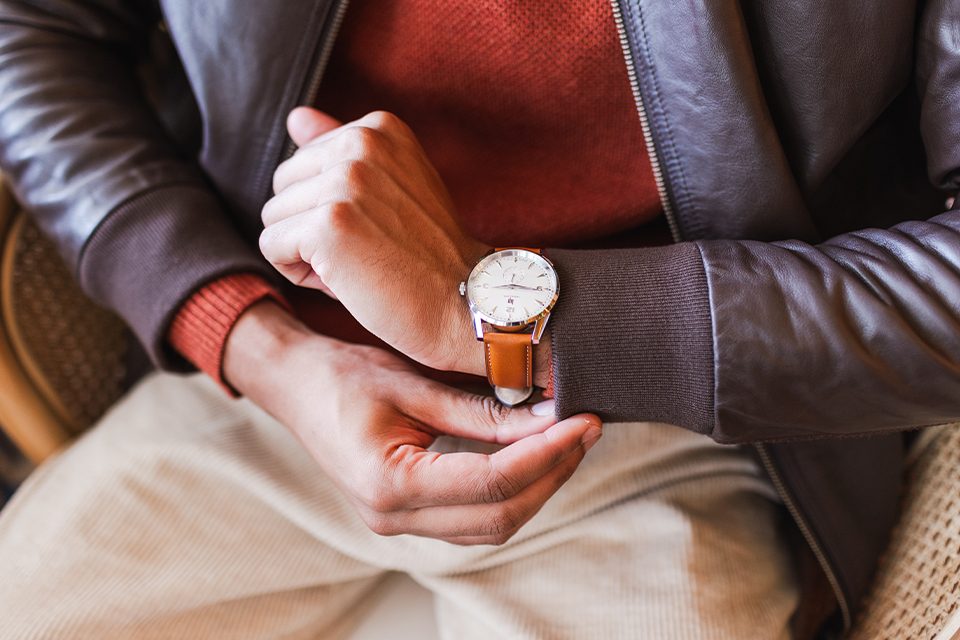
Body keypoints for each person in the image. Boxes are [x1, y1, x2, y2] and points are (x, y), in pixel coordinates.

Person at [0, 0, 957, 638]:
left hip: (668, 422)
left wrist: (498, 314)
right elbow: (30, 25)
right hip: (268, 378)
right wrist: (253, 343)